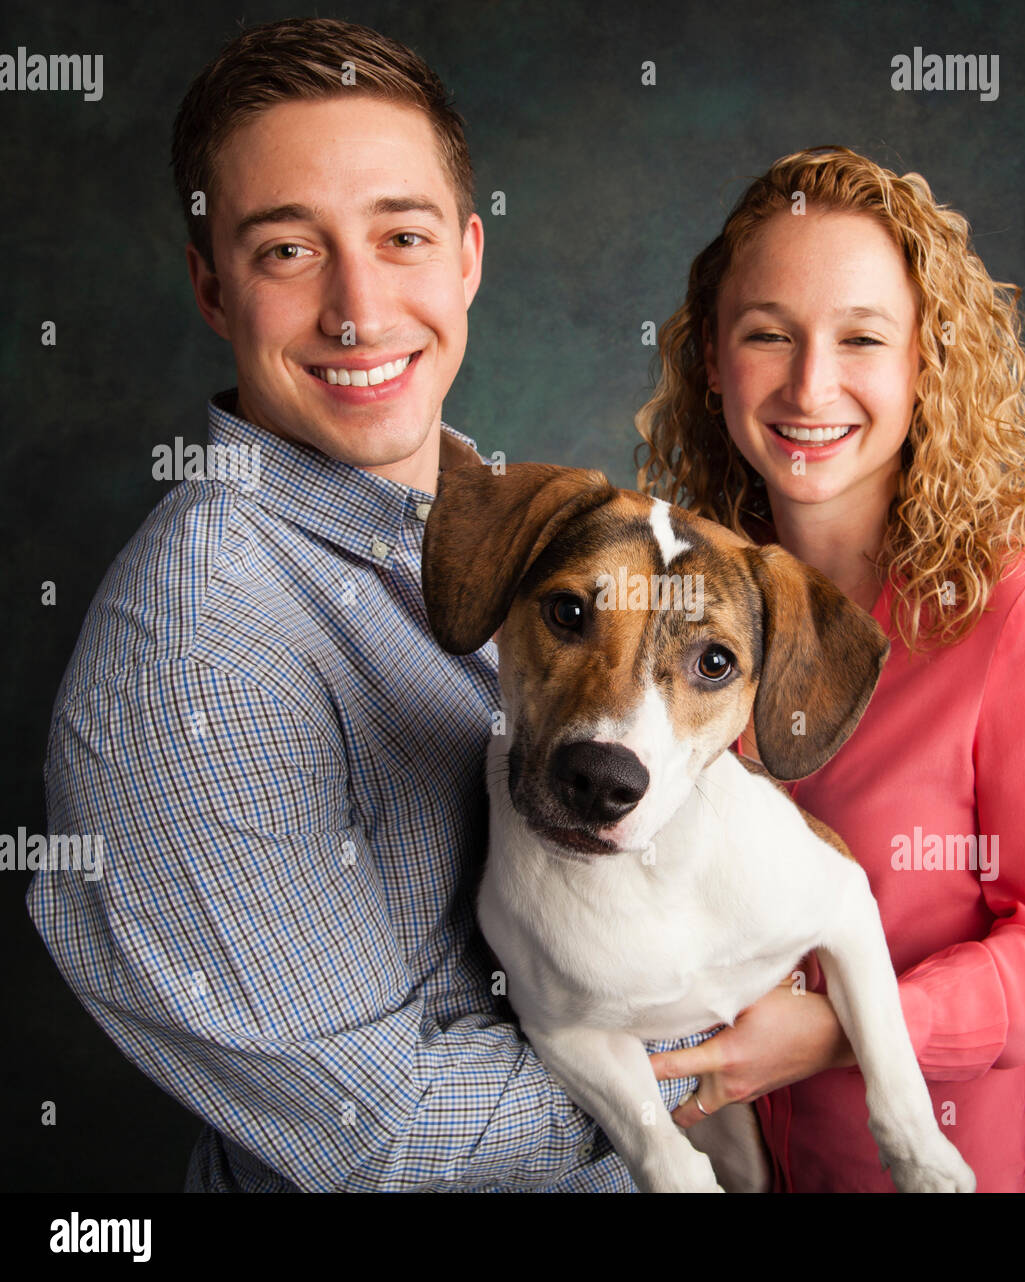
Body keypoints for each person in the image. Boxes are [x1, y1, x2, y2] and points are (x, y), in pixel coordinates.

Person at [26, 16, 707, 1193]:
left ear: (467, 259)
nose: (358, 308)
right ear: (209, 282)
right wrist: (726, 1045)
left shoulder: (510, 528)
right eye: (288, 251)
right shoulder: (198, 654)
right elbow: (380, 1129)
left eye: (401, 235)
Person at [637, 146, 1025, 1193]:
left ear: (927, 364)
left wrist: (835, 1033)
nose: (809, 385)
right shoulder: (681, 606)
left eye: (861, 337)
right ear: (713, 362)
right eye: (768, 334)